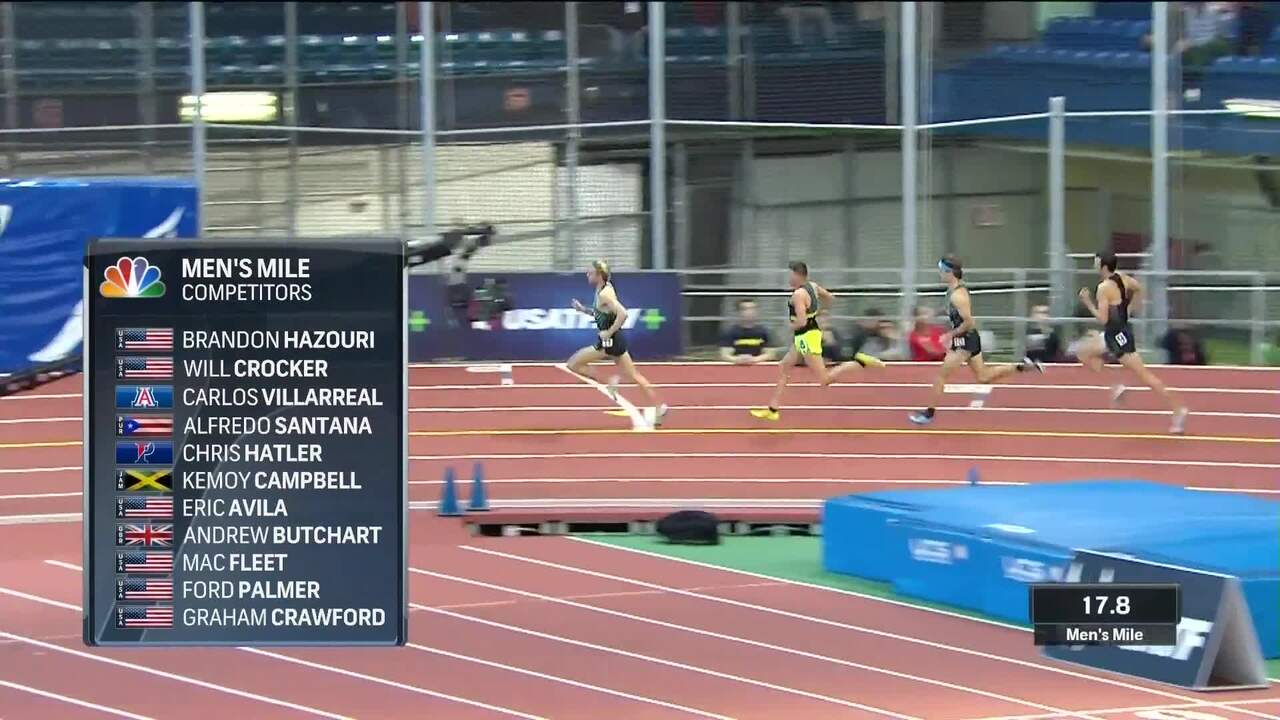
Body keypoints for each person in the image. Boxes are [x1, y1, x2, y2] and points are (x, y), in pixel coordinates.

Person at [909, 255, 1043, 426]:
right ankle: (1021, 366)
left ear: (950, 272)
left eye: (941, 271)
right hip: (968, 339)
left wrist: (950, 335)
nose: (939, 274)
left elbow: (969, 322)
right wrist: (935, 314)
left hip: (964, 340)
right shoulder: (953, 290)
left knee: (941, 376)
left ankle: (928, 414)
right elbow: (952, 311)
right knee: (983, 377)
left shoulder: (958, 295)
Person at [750, 261, 884, 421]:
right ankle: (773, 409)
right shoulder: (812, 286)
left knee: (824, 379)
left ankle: (859, 362)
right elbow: (830, 298)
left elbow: (801, 322)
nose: (788, 278)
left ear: (798, 275)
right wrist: (817, 313)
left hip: (806, 337)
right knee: (784, 366)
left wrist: (789, 325)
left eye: (790, 275)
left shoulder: (798, 295)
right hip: (806, 335)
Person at [1077, 252, 1188, 433]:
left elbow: (1103, 319)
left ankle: (1178, 408)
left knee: (1145, 376)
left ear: (1104, 267)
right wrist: (1129, 309)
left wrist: (1087, 302)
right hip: (1115, 333)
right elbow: (1139, 288)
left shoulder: (1103, 288)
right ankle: (1116, 385)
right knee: (1083, 353)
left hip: (1118, 337)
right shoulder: (1122, 277)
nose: (1094, 266)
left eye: (1096, 263)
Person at [567, 260, 669, 426]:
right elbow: (601, 313)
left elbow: (623, 314)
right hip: (615, 339)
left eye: (590, 273)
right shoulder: (603, 289)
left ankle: (609, 381)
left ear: (599, 275)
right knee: (634, 376)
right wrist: (583, 309)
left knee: (573, 363)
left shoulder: (604, 294)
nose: (587, 275)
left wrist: (608, 332)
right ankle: (659, 407)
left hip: (610, 341)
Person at [720, 299, 775, 364]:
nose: (749, 312)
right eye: (745, 309)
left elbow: (771, 354)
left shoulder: (765, 332)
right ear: (738, 312)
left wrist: (754, 360)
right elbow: (724, 355)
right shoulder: (730, 332)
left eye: (752, 309)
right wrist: (738, 359)